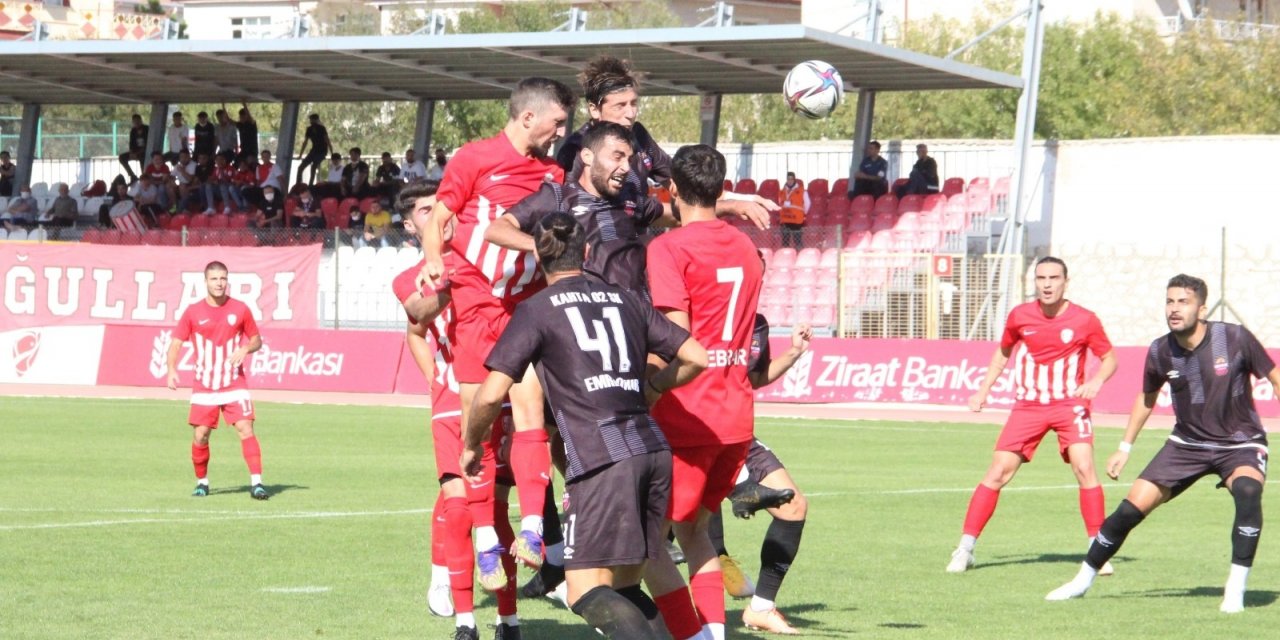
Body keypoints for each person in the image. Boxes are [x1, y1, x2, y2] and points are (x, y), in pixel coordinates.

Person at [463, 212, 709, 640]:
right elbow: (696, 357)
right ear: (589, 253)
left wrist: (470, 444)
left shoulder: (535, 309)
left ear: (538, 256)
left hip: (601, 459)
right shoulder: (625, 299)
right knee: (628, 587)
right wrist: (653, 386)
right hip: (652, 450)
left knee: (584, 591)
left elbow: (488, 394)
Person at [420, 77, 576, 587]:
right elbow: (438, 218)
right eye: (556, 122)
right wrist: (430, 262)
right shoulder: (474, 158)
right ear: (528, 116)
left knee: (531, 406)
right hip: (476, 301)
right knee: (477, 422)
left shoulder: (553, 172)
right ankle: (487, 539)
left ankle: (530, 529)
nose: (561, 132)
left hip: (525, 305)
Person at [1046, 274, 1280, 613]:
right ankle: (1082, 580)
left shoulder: (1234, 338)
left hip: (1239, 443)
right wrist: (1124, 448)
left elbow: (1274, 377)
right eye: (1170, 301)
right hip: (1186, 444)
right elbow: (1147, 397)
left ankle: (1236, 589)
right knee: (1129, 510)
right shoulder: (1159, 350)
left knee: (1247, 492)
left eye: (1183, 302)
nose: (1174, 308)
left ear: (1201, 309)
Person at [643, 144, 764, 640]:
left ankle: (690, 634)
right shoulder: (748, 249)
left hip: (688, 413)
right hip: (736, 414)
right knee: (696, 534)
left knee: (650, 541)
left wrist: (647, 388)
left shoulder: (668, 248)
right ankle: (713, 633)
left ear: (672, 190)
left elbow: (678, 338)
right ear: (721, 189)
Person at [393, 182, 523, 640]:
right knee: (460, 506)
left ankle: (509, 620)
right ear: (412, 226)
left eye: (443, 207)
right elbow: (416, 314)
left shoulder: (488, 261)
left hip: (502, 395)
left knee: (498, 512)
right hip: (452, 401)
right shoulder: (412, 275)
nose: (439, 215)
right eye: (427, 211)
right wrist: (433, 376)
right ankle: (465, 620)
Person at [947, 257, 1119, 574]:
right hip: (1028, 405)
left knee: (1084, 468)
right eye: (1041, 278)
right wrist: (984, 389)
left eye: (1054, 277)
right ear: (1034, 282)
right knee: (998, 471)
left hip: (1070, 403)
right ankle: (965, 548)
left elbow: (1109, 359)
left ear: (1066, 281)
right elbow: (1003, 352)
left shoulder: (1085, 320)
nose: (1047, 284)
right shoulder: (1020, 316)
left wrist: (1095, 382)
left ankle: (1098, 551)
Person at [556, 55, 772, 229]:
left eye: (633, 103)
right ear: (594, 109)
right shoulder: (575, 150)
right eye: (620, 106)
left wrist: (740, 199)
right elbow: (574, 213)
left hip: (632, 254)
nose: (630, 113)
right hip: (592, 260)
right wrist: (729, 206)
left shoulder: (638, 135)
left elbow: (685, 183)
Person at [710, 313, 812, 635]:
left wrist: (794, 352)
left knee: (793, 507)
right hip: (697, 430)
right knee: (672, 527)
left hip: (740, 432)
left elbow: (753, 377)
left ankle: (761, 607)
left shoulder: (757, 323)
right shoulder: (706, 310)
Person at [165, 261, 268, 501]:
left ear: (227, 280)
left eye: (223, 278)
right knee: (201, 435)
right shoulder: (193, 312)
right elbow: (176, 343)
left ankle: (257, 484)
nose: (219, 283)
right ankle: (202, 482)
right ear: (206, 282)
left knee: (245, 427)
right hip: (204, 384)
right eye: (214, 279)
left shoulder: (240, 309)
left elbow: (257, 340)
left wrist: (246, 349)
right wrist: (171, 369)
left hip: (234, 382)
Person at [296, 114, 332, 186]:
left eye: (313, 119)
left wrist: (332, 152)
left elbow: (327, 140)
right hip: (314, 150)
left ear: (317, 120)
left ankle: (311, 186)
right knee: (300, 168)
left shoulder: (322, 128)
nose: (311, 121)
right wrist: (300, 155)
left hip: (322, 151)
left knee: (313, 167)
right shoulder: (309, 129)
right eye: (311, 120)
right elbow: (305, 142)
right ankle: (298, 185)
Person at [777, 172, 809, 250]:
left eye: (791, 179)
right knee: (785, 242)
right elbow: (780, 203)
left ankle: (799, 256)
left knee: (797, 241)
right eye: (788, 179)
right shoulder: (782, 191)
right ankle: (785, 257)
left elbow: (807, 203)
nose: (790, 180)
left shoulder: (802, 191)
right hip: (785, 220)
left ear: (794, 179)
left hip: (797, 220)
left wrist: (803, 213)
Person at [118, 113, 149, 183]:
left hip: (144, 152)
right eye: (134, 121)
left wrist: (138, 152)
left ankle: (144, 178)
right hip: (135, 151)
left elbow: (148, 143)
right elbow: (131, 143)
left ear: (141, 120)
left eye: (138, 121)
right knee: (122, 157)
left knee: (142, 159)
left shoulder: (147, 129)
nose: (136, 123)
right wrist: (132, 152)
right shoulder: (133, 131)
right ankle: (132, 176)